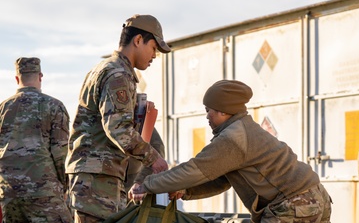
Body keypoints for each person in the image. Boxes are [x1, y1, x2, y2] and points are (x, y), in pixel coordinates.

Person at [132, 80, 333, 223]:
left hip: (294, 204)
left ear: (223, 110)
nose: (207, 116)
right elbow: (222, 180)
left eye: (208, 110)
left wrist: (147, 185)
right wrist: (186, 191)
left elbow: (194, 170)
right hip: (314, 198)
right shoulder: (243, 129)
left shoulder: (233, 137)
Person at [65, 14, 170, 222]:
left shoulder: (106, 68)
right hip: (97, 178)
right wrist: (153, 158)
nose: (154, 55)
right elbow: (119, 129)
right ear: (138, 41)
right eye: (153, 48)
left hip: (96, 175)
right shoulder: (117, 74)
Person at [0, 57, 73, 223]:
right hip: (43, 191)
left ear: (17, 78)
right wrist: (64, 186)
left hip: (9, 193)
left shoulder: (2, 109)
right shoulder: (54, 106)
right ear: (40, 76)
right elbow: (60, 152)